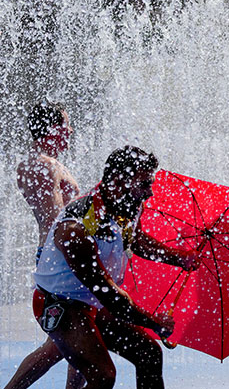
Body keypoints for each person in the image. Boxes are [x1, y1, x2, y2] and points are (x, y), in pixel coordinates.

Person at [32, 145, 199, 389]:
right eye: (144, 185)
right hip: (61, 304)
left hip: (92, 303)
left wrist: (178, 257)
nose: (149, 193)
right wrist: (154, 323)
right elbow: (112, 297)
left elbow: (135, 239)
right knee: (103, 376)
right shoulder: (76, 228)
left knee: (149, 354)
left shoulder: (128, 205)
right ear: (118, 182)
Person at [5, 103, 84, 389]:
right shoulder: (41, 164)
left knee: (83, 337)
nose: (71, 130)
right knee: (64, 342)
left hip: (61, 255)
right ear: (51, 129)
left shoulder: (51, 163)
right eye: (65, 123)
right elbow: (55, 220)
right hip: (60, 257)